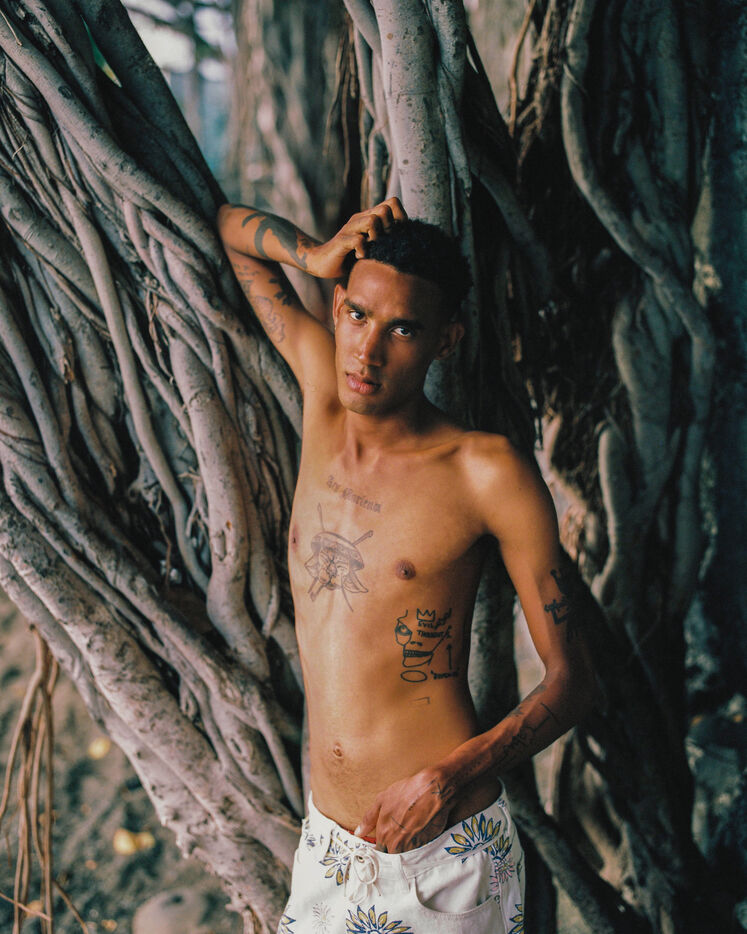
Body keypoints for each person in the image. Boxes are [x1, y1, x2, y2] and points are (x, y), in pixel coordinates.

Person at [217, 197, 596, 934]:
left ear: (445, 340)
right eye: (358, 315)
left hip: (441, 852)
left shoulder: (484, 472)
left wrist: (448, 778)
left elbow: (574, 680)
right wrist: (316, 254)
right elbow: (232, 234)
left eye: (402, 329)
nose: (368, 351)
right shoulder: (323, 398)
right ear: (337, 307)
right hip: (328, 846)